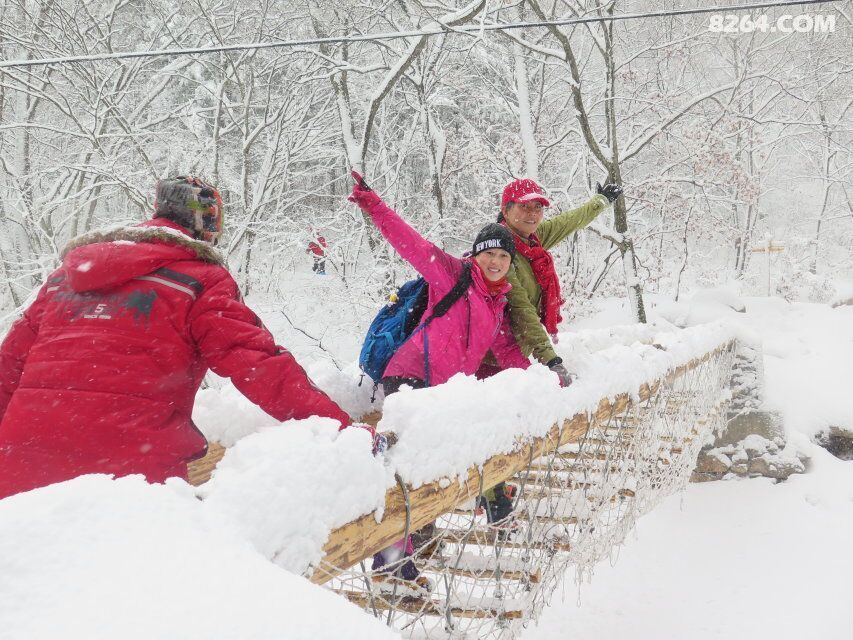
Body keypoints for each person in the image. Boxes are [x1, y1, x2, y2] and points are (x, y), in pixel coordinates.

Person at [0, 176, 353, 501]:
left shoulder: (65, 278)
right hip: (127, 482)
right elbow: (260, 367)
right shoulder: (200, 279)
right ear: (208, 226)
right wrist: (343, 430)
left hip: (18, 473)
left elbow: (7, 368)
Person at [348, 171, 531, 595]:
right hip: (411, 379)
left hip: (443, 392)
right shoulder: (451, 274)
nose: (496, 263)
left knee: (424, 467)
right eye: (489, 256)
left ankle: (411, 545)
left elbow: (508, 354)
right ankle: (392, 564)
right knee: (405, 469)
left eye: (504, 259)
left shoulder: (496, 303)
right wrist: (373, 203)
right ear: (476, 255)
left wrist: (550, 374)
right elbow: (407, 239)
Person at [479, 178, 622, 385]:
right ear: (506, 210)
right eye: (524, 206)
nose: (533, 213)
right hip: (489, 358)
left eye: (538, 207)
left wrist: (601, 200)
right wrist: (551, 360)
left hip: (514, 352)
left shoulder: (531, 239)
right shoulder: (500, 254)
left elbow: (569, 221)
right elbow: (522, 310)